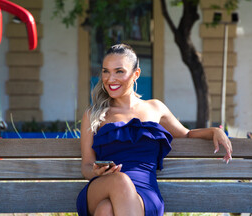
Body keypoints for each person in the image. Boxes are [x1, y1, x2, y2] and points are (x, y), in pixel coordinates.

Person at [76, 44, 232, 216]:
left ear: (136, 74)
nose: (110, 78)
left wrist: (214, 132)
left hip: (144, 194)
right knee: (119, 181)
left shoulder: (155, 108)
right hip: (101, 187)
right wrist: (96, 171)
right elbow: (86, 167)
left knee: (105, 210)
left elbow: (186, 134)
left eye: (119, 71)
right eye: (106, 71)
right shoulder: (93, 114)